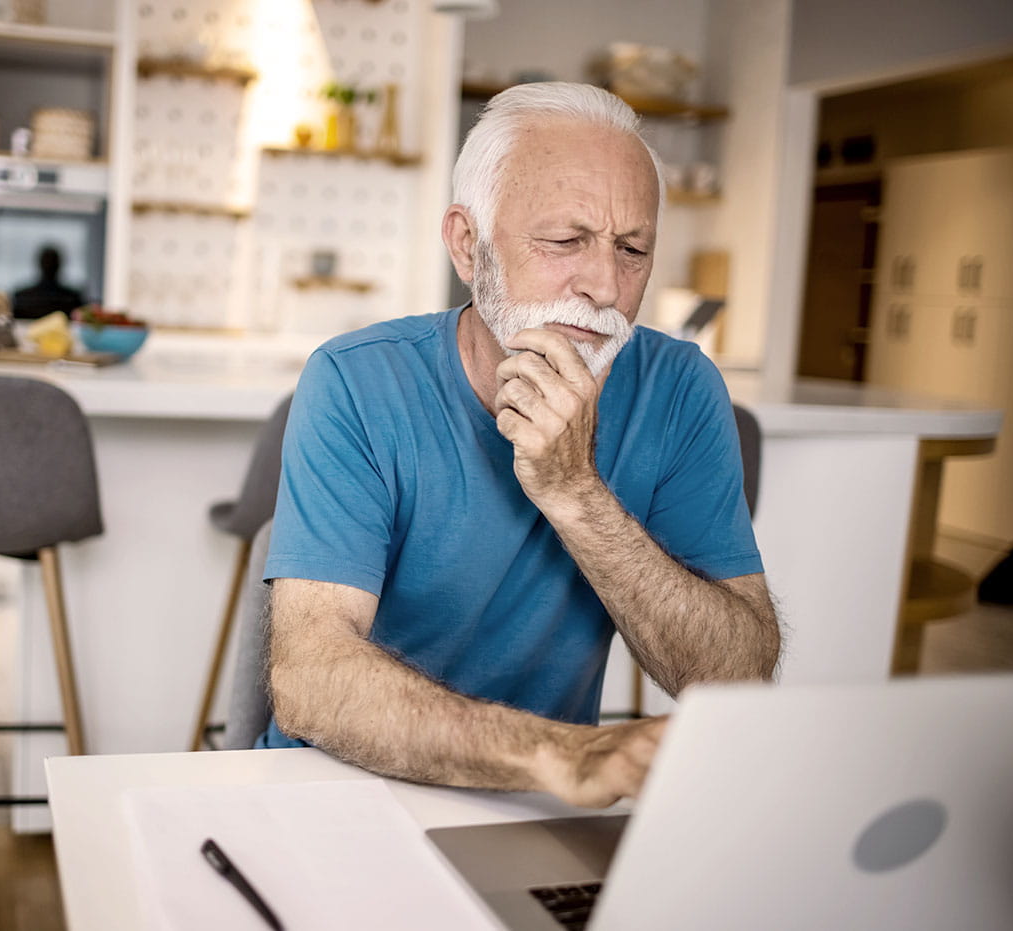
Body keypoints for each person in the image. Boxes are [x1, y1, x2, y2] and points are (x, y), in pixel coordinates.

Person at [260, 83, 780, 810]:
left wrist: (576, 493)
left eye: (632, 249)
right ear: (468, 246)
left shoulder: (680, 387)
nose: (604, 285)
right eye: (565, 241)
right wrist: (557, 753)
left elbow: (738, 676)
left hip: (532, 807)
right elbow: (310, 681)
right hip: (341, 789)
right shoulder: (356, 379)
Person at [12, 245, 85, 320]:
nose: (49, 265)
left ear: (40, 264)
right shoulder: (73, 298)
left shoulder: (22, 297)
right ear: (58, 265)